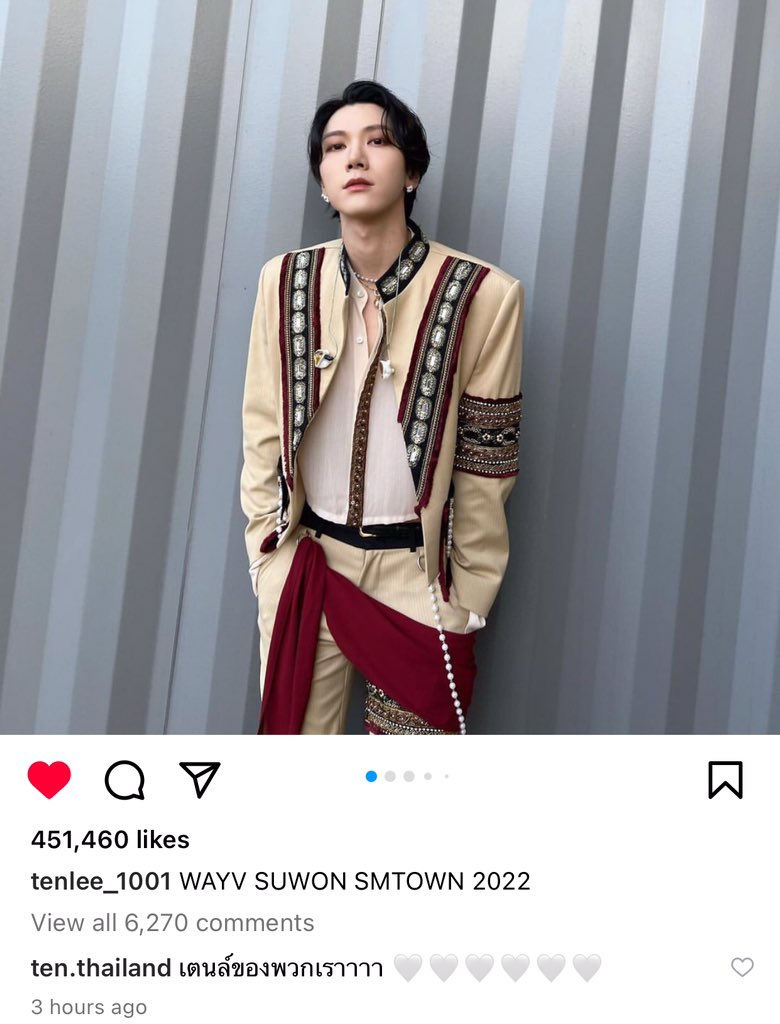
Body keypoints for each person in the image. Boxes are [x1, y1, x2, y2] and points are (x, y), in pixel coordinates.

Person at [240, 80, 523, 735]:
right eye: (336, 147)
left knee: (405, 782)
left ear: (412, 171)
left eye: (378, 141)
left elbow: (488, 460)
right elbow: (263, 427)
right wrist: (267, 555)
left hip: (419, 583)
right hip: (309, 566)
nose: (356, 158)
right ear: (322, 180)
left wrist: (469, 594)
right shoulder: (285, 280)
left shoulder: (483, 294)